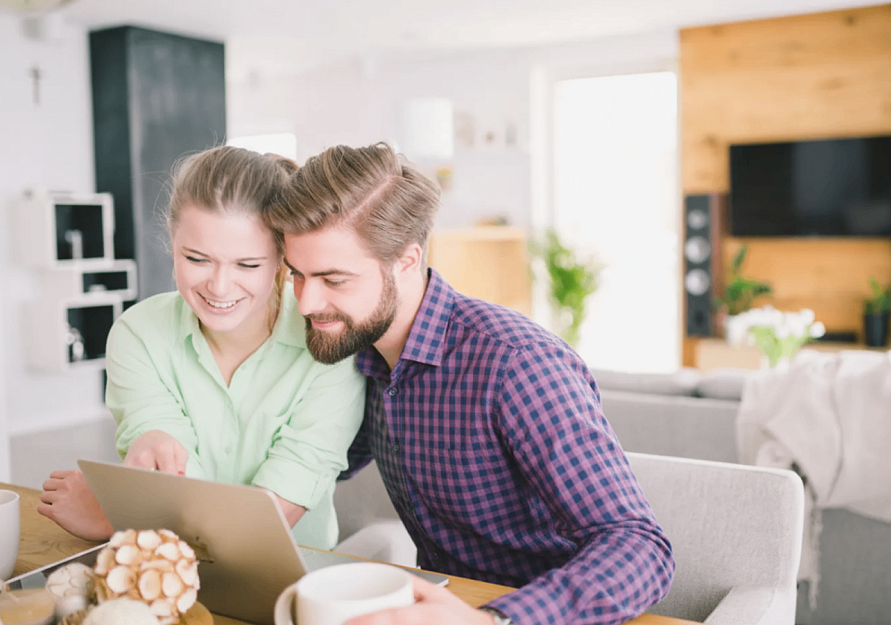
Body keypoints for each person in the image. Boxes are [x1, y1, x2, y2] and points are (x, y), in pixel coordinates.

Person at [264, 143, 675, 625]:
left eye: (333, 280)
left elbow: (640, 546)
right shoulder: (360, 358)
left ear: (406, 261)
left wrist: (493, 620)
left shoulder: (516, 365)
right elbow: (312, 462)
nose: (307, 303)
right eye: (297, 275)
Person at [38, 146, 366, 551]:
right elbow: (172, 489)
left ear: (283, 259)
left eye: (248, 264)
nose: (220, 287)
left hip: (296, 575)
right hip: (165, 566)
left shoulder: (327, 342)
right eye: (197, 259)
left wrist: (114, 519)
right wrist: (151, 447)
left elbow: (265, 523)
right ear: (171, 242)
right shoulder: (138, 334)